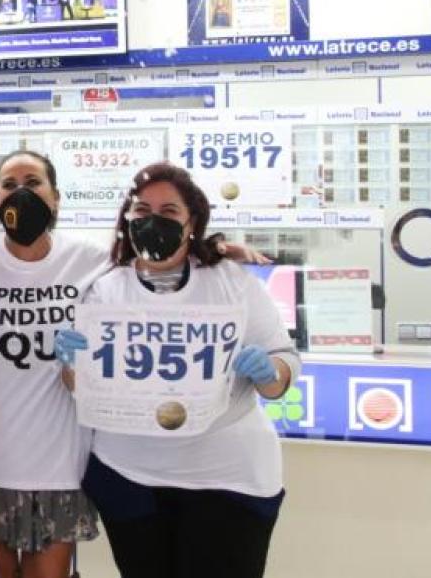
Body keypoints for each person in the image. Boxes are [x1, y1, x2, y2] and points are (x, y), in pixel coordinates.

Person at [0, 153, 269, 578]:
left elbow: (152, 262)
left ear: (56, 197)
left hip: (61, 464)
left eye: (33, 183)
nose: (21, 193)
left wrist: (210, 248)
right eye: (10, 185)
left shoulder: (91, 260)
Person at [56, 162, 299, 578]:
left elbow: (284, 364)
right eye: (141, 211)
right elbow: (82, 386)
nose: (153, 222)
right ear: (126, 220)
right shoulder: (102, 287)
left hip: (226, 481)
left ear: (192, 223)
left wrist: (268, 372)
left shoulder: (230, 282)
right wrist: (71, 366)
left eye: (168, 212)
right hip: (129, 478)